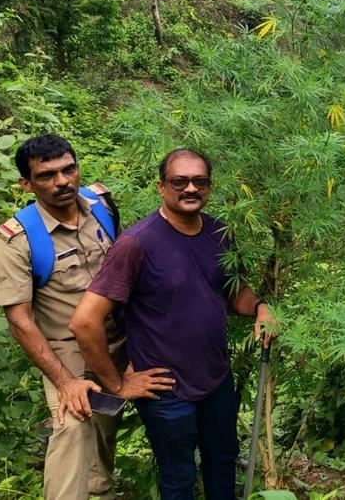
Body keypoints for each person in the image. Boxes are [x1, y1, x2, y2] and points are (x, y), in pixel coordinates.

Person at [70, 148, 275, 500]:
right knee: (178, 476)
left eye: (200, 181)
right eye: (179, 181)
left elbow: (233, 291)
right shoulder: (137, 244)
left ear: (209, 187)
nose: (190, 188)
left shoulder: (219, 231)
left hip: (216, 378)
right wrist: (117, 384)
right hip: (166, 389)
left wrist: (260, 308)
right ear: (161, 187)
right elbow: (84, 321)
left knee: (222, 461)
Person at [0, 134, 136, 500]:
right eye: (47, 175)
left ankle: (101, 492)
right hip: (66, 355)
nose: (63, 182)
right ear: (27, 183)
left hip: (115, 345)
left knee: (103, 435)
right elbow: (20, 320)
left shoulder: (100, 204)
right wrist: (65, 381)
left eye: (69, 170)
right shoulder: (16, 239)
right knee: (73, 428)